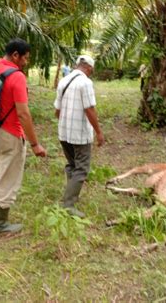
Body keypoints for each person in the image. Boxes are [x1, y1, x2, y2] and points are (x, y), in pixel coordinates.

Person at [0, 38, 47, 235]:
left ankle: (0, 214)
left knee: (3, 172)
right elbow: (23, 113)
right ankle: (0, 224)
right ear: (15, 55)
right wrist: (35, 144)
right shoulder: (17, 77)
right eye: (25, 58)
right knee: (9, 178)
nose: (26, 62)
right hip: (11, 135)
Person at [53, 55, 105, 218]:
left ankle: (71, 196)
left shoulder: (64, 81)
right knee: (82, 167)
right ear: (89, 68)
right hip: (79, 133)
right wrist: (99, 132)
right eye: (92, 70)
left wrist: (65, 122)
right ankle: (68, 204)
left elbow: (57, 110)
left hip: (64, 132)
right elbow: (89, 109)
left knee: (72, 164)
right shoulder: (85, 83)